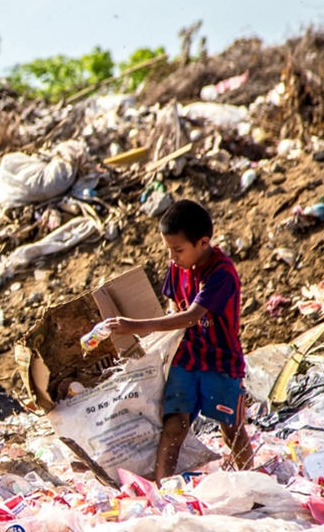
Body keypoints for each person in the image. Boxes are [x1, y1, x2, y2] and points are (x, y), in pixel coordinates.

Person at [101, 198, 253, 481]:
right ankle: (162, 489)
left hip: (221, 360)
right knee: (174, 424)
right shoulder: (177, 267)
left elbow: (190, 316)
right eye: (169, 249)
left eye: (178, 249)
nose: (172, 257)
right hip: (186, 358)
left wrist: (133, 326)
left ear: (203, 242)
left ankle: (253, 483)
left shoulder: (222, 274)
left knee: (230, 427)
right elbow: (174, 306)